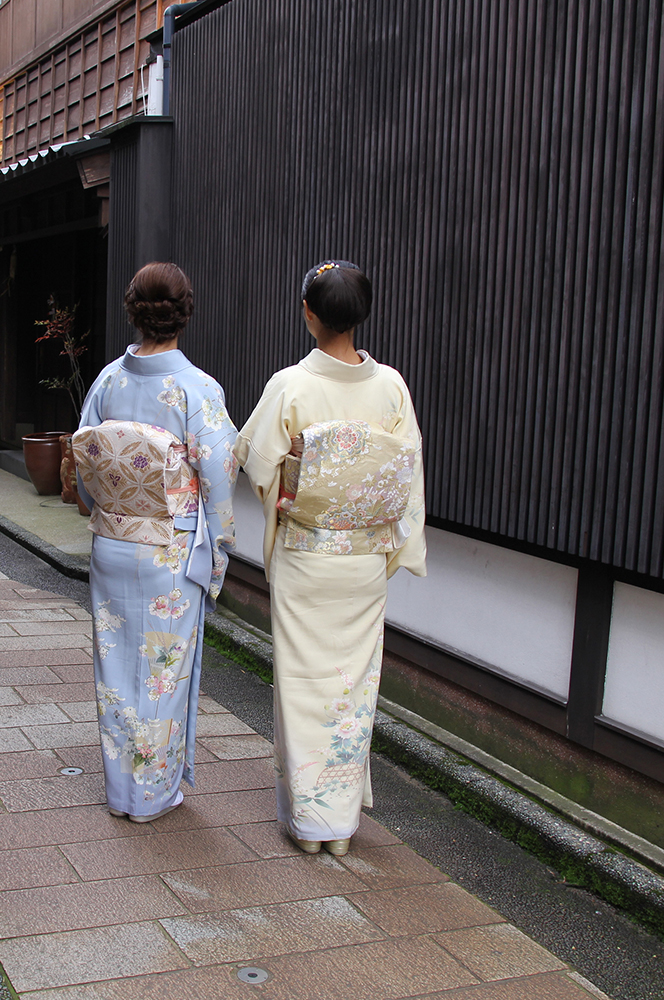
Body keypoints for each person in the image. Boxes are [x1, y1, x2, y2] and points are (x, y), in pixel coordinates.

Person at [234, 260, 426, 856]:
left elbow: (257, 464)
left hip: (307, 556)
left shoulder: (290, 385)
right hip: (363, 561)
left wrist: (298, 475)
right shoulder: (391, 385)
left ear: (309, 315)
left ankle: (309, 824)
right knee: (352, 687)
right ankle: (339, 828)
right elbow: (406, 477)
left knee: (303, 685)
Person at [73, 262, 238, 822]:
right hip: (170, 551)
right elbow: (219, 478)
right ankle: (152, 795)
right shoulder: (197, 389)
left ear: (133, 310)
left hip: (113, 543)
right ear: (184, 312)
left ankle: (121, 792)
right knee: (163, 673)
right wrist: (219, 549)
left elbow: (85, 471)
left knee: (116, 669)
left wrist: (106, 506)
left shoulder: (107, 381)